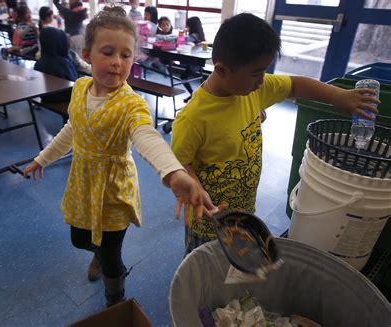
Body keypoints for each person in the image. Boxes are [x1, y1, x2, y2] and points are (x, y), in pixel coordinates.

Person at [23, 6, 202, 307]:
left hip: (114, 189)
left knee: (110, 254)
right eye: (107, 52)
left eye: (126, 55)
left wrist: (173, 172)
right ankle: (98, 256)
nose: (118, 63)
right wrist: (43, 158)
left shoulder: (131, 104)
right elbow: (72, 129)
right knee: (79, 239)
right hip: (83, 183)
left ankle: (115, 296)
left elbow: (146, 135)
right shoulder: (80, 88)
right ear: (87, 54)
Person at [171, 13, 379, 254]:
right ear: (221, 70)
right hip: (208, 222)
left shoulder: (250, 90)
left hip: (243, 212)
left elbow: (296, 85)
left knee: (238, 266)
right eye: (256, 73)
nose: (262, 80)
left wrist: (337, 96)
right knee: (206, 272)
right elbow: (179, 164)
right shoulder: (193, 118)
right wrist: (194, 189)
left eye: (264, 71)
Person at [34, 27, 78, 101]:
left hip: (45, 97)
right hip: (63, 98)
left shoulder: (39, 62)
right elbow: (75, 84)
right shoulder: (63, 63)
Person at [180, 16, 206, 102]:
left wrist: (183, 34)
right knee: (199, 79)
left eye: (187, 26)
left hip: (193, 64)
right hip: (198, 63)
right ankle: (193, 95)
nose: (186, 28)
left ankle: (192, 94)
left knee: (183, 77)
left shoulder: (193, 36)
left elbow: (184, 42)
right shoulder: (200, 34)